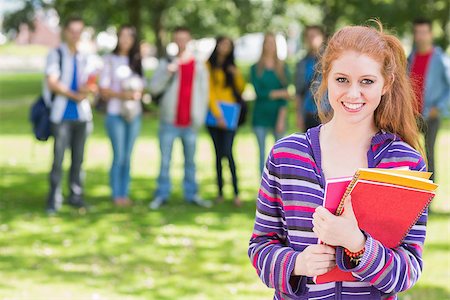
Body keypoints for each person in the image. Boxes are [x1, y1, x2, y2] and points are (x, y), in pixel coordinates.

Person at [249, 21, 429, 299]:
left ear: (386, 84)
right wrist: (297, 264)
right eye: (342, 79)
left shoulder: (405, 164)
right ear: (325, 77)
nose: (352, 94)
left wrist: (357, 243)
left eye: (367, 81)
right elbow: (261, 245)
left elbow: (407, 271)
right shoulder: (286, 155)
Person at [148, 26, 211, 210]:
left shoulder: (198, 64)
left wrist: (199, 116)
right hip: (169, 120)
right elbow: (153, 88)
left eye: (184, 38)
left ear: (189, 39)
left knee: (191, 161)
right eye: (178, 39)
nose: (181, 42)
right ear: (174, 41)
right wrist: (167, 71)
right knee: (165, 160)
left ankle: (192, 194)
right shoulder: (167, 62)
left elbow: (204, 93)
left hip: (190, 122)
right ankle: (161, 194)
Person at [44, 17, 94, 214]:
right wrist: (75, 95)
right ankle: (54, 199)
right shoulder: (56, 54)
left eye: (78, 31)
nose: (75, 35)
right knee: (58, 160)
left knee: (79, 160)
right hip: (62, 116)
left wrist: (88, 89)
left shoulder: (86, 56)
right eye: (72, 31)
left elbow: (90, 82)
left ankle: (76, 195)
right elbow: (52, 82)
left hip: (82, 116)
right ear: (65, 32)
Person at [99, 25, 144, 207]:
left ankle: (125, 192)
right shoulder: (110, 60)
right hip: (115, 113)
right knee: (119, 155)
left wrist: (138, 93)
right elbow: (103, 89)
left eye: (129, 36)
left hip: (134, 114)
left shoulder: (136, 61)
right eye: (123, 36)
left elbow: (142, 84)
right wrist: (122, 95)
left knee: (128, 155)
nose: (125, 40)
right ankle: (116, 193)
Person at [408, 18, 450, 182]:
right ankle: (412, 191)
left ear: (431, 34)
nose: (420, 36)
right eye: (417, 32)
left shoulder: (440, 58)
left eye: (424, 32)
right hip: (412, 115)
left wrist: (439, 107)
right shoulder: (411, 57)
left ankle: (429, 197)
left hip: (431, 115)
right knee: (409, 154)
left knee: (429, 154)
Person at [206, 36, 246, 207]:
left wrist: (236, 74)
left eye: (228, 45)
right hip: (214, 114)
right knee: (217, 154)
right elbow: (210, 92)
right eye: (222, 44)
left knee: (228, 152)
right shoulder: (208, 66)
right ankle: (220, 192)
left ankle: (236, 193)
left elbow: (242, 88)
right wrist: (218, 114)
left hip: (231, 114)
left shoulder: (232, 66)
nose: (225, 48)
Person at [251, 32, 291, 174]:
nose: (269, 46)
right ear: (263, 45)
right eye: (267, 43)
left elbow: (286, 96)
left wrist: (281, 118)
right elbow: (258, 92)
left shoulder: (282, 67)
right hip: (260, 116)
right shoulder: (256, 68)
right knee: (262, 155)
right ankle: (263, 190)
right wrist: (278, 93)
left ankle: (278, 190)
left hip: (277, 115)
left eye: (272, 43)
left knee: (280, 156)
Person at [295, 25, 325, 131]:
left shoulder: (330, 61)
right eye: (309, 36)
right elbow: (298, 92)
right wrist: (298, 115)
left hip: (327, 113)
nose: (311, 39)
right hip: (307, 113)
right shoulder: (301, 63)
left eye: (314, 36)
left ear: (322, 37)